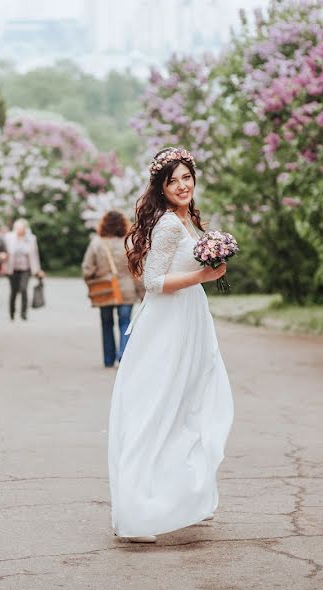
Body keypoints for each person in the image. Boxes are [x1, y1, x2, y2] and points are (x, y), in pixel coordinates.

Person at [108, 147, 234, 542]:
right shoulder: (166, 225)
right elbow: (153, 282)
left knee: (188, 405)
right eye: (173, 180)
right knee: (159, 407)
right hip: (168, 325)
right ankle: (138, 510)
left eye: (186, 178)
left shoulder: (185, 221)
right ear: (161, 188)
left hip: (189, 320)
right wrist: (204, 276)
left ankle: (183, 497)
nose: (182, 186)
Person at [82, 211, 143, 367]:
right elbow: (136, 270)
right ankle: (123, 354)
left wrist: (93, 281)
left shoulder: (96, 243)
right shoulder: (129, 243)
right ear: (123, 224)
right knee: (125, 322)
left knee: (106, 323)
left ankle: (108, 359)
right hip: (126, 290)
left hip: (105, 289)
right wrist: (141, 292)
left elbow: (87, 269)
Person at [2, 219, 44, 321]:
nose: (20, 231)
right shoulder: (8, 238)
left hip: (26, 269)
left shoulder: (31, 239)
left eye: (22, 229)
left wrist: (38, 270)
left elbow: (35, 256)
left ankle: (23, 313)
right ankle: (12, 313)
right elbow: (3, 252)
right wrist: (3, 263)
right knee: (13, 291)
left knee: (24, 289)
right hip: (12, 269)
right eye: (18, 229)